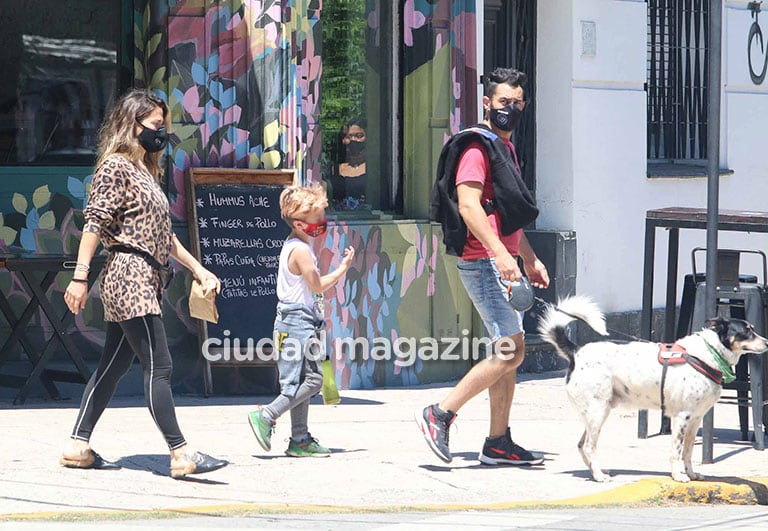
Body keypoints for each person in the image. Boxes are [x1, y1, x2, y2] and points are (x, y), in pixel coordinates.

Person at [60, 89, 228, 479]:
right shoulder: (115, 166)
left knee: (113, 367)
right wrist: (80, 277)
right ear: (132, 124)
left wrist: (198, 269)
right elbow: (95, 222)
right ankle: (181, 452)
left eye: (163, 127)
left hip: (144, 276)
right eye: (155, 126)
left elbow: (164, 235)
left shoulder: (145, 172)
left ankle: (77, 444)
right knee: (160, 366)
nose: (161, 134)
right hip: (128, 274)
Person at [416, 68, 550, 466]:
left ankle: (498, 442)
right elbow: (471, 207)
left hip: (501, 261)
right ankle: (440, 413)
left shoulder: (503, 148)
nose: (510, 109)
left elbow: (503, 214)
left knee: (506, 350)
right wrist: (501, 256)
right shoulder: (477, 148)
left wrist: (527, 256)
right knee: (511, 352)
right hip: (483, 261)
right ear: (487, 103)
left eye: (517, 102)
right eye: (503, 102)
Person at [248, 185, 354, 457]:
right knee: (315, 380)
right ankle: (268, 415)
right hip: (297, 322)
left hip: (296, 319)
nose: (321, 224)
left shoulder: (294, 245)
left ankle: (300, 438)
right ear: (299, 223)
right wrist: (342, 269)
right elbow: (317, 286)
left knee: (301, 379)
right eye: (317, 219)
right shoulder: (301, 252)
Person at [331, 118, 367, 208]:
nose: (353, 140)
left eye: (359, 135)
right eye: (349, 136)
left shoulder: (375, 167)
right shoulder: (334, 169)